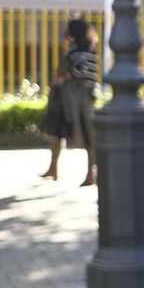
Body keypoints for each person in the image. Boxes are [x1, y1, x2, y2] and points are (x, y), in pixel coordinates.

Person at [38, 15, 98, 186]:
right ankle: (54, 168)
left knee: (87, 136)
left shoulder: (80, 49)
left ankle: (91, 173)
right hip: (76, 98)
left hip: (76, 100)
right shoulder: (88, 48)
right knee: (59, 133)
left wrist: (64, 77)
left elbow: (80, 69)